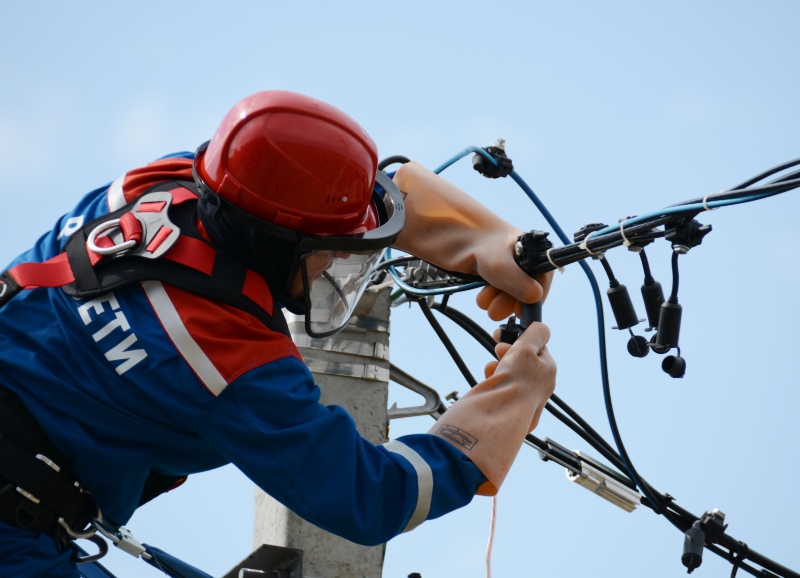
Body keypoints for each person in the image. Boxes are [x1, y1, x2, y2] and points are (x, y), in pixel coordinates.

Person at [0, 90, 556, 576]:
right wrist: (503, 407)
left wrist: (478, 235)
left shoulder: (170, 182)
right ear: (272, 244)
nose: (337, 261)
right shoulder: (222, 353)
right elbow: (371, 496)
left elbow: (291, 172)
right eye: (329, 251)